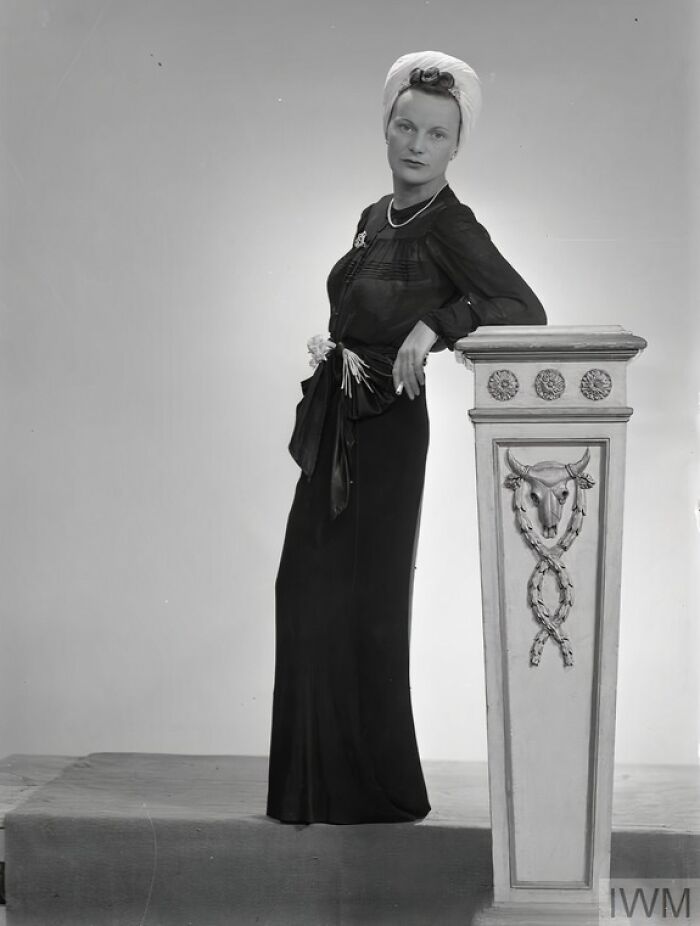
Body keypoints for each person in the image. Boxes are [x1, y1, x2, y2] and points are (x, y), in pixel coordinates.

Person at [266, 50, 546, 825]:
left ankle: (374, 789)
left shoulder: (452, 223)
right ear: (387, 128)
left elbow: (522, 306)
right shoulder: (372, 216)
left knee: (366, 602)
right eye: (406, 126)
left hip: (388, 426)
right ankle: (312, 787)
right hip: (338, 417)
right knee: (305, 592)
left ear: (457, 147)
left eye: (437, 134)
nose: (418, 144)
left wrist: (439, 325)